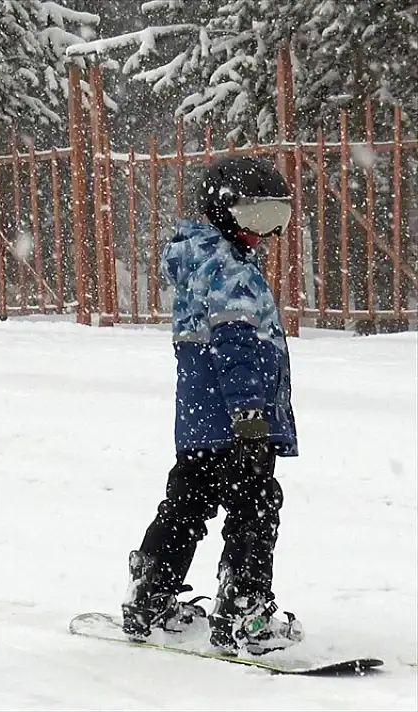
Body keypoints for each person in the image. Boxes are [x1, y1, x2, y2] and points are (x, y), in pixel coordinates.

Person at [121, 155, 304, 656]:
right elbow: (238, 348)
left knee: (185, 505)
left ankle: (149, 597)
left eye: (275, 219)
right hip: (238, 423)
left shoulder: (199, 263)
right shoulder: (232, 272)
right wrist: (250, 418)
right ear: (224, 210)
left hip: (200, 425)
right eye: (255, 218)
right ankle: (246, 612)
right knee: (254, 509)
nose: (263, 233)